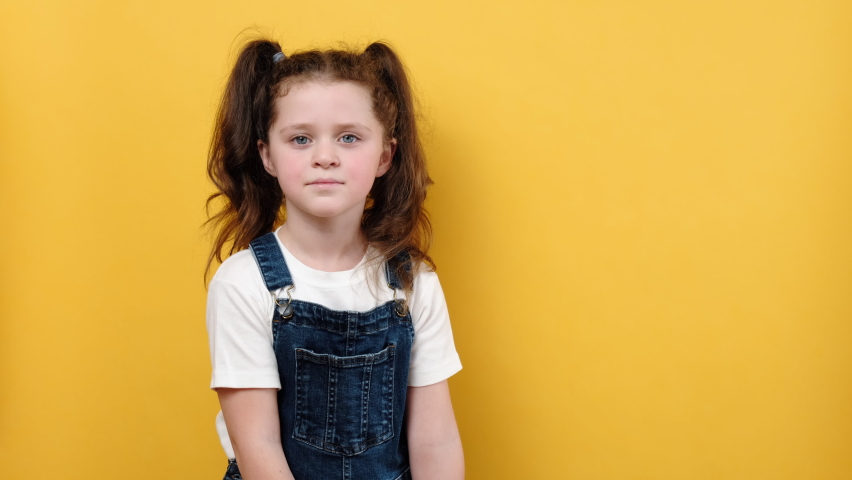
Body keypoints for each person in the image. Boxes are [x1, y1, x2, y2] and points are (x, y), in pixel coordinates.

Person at [204, 38, 464, 480]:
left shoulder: (412, 282)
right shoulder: (242, 284)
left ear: (385, 155)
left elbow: (434, 440)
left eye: (349, 137)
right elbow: (258, 448)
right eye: (300, 139)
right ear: (267, 154)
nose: (325, 157)